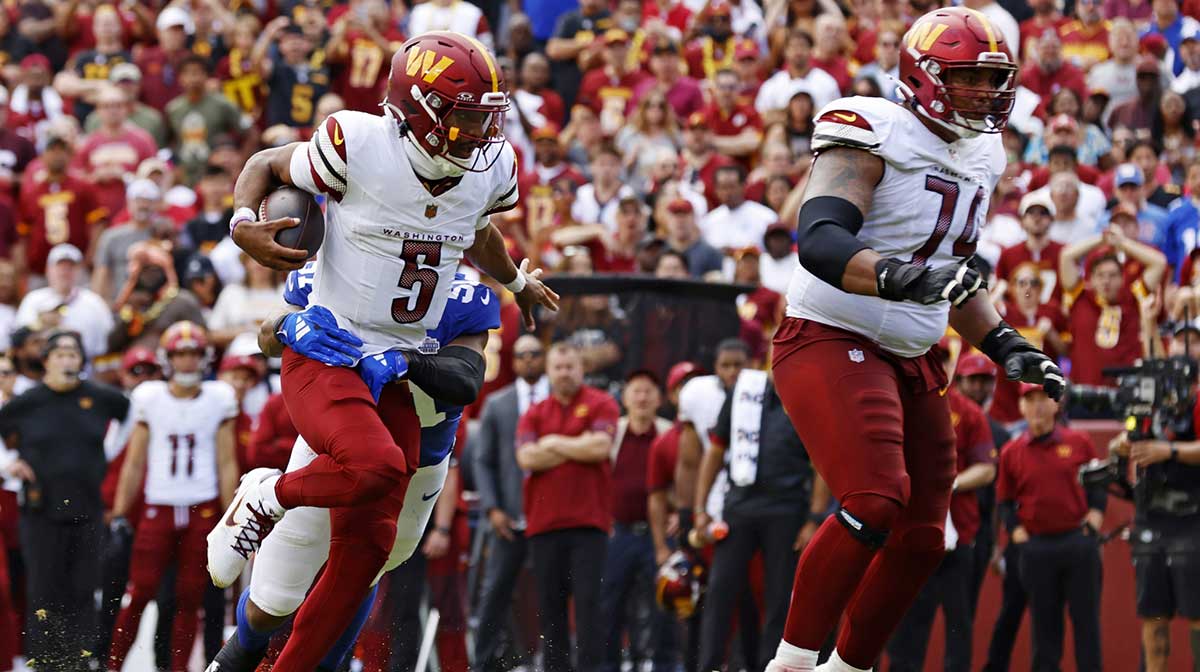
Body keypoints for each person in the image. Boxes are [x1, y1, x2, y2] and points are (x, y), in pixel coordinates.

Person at [211, 32, 558, 669]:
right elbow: (265, 162)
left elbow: (478, 229)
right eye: (468, 117)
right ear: (421, 110)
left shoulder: (486, 178)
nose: (483, 133)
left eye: (488, 116)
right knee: (306, 555)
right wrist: (241, 225)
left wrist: (513, 281)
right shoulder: (359, 143)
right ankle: (266, 497)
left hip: (397, 384)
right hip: (335, 354)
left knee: (368, 557)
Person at [765, 9, 1064, 672]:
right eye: (969, 79)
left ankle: (849, 667)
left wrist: (1008, 343)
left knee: (927, 536)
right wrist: (908, 278)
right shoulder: (873, 126)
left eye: (994, 80)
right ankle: (789, 663)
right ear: (923, 75)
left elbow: (950, 274)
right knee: (874, 499)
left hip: (914, 353)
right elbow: (819, 240)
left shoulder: (985, 152)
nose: (986, 94)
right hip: (829, 332)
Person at [208, 266, 498, 672]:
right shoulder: (336, 268)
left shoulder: (460, 292)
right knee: (272, 601)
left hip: (420, 464)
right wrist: (287, 325)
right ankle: (241, 649)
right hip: (336, 447)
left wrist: (410, 363)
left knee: (362, 570)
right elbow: (267, 337)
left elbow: (467, 379)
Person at [106, 321, 238, 671]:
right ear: (168, 358)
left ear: (205, 356)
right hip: (159, 504)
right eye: (180, 354)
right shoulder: (149, 397)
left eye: (193, 353)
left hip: (203, 506)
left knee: (190, 598)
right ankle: (113, 664)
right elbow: (134, 462)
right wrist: (120, 512)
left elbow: (227, 462)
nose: (187, 362)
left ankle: (179, 668)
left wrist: (232, 518)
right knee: (140, 592)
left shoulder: (219, 397)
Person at [0, 331, 128, 670]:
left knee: (84, 589)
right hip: (40, 511)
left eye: (74, 353)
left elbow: (134, 415)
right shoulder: (28, 402)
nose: (68, 360)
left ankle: (80, 660)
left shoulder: (100, 397)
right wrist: (6, 464)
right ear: (46, 360)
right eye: (60, 353)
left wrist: (115, 458)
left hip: (88, 509)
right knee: (44, 588)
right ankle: (44, 661)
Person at [693, 367, 827, 671]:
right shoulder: (743, 391)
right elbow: (715, 449)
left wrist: (814, 518)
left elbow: (821, 463)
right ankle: (709, 666)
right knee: (720, 591)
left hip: (787, 511)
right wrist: (700, 509)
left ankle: (770, 666)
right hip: (739, 508)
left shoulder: (809, 395)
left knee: (780, 598)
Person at [885, 347, 997, 672]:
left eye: (941, 359)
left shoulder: (968, 413)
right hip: (912, 535)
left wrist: (950, 485)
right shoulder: (902, 405)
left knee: (959, 623)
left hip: (958, 535)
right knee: (907, 622)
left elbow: (986, 468)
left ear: (950, 366)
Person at [516, 342, 619, 672]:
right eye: (558, 367)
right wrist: (578, 443)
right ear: (548, 371)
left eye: (570, 366)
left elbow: (601, 447)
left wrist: (555, 443)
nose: (564, 373)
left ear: (582, 368)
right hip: (544, 526)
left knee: (589, 608)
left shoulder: (601, 403)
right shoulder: (535, 412)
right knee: (550, 611)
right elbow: (526, 457)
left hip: (590, 525)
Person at [1107, 328, 1200, 672]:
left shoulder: (1198, 399)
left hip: (1192, 516)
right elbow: (1125, 437)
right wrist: (1121, 445)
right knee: (1153, 615)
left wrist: (1169, 450)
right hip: (1151, 516)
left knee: (1197, 614)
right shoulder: (1148, 397)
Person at [996, 383, 1106, 672]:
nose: (1037, 406)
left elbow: (1098, 488)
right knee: (1044, 629)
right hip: (1037, 548)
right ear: (1021, 407)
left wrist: (1094, 523)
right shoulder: (1011, 451)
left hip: (1077, 544)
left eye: (1043, 397)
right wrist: (1019, 537)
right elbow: (1005, 502)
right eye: (1029, 399)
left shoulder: (1079, 442)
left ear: (1056, 404)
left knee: (1087, 624)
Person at [473, 334, 547, 672]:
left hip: (549, 518)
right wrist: (493, 509)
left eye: (535, 354)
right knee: (495, 593)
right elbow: (483, 461)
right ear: (514, 362)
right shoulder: (498, 404)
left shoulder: (558, 402)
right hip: (508, 518)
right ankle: (484, 662)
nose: (529, 360)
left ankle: (554, 660)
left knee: (553, 595)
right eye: (522, 355)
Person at [599, 370, 677, 672]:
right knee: (610, 606)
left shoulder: (670, 433)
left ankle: (665, 665)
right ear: (624, 398)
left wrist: (677, 516)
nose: (642, 398)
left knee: (664, 605)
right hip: (618, 532)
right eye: (636, 391)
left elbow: (684, 481)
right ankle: (608, 666)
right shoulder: (612, 433)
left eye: (648, 392)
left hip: (659, 536)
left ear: (659, 399)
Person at [1057, 222, 1166, 387]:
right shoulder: (1080, 298)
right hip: (1085, 393)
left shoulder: (1133, 298)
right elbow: (1066, 256)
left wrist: (1122, 243)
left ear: (1122, 278)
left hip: (1125, 392)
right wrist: (1102, 239)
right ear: (1091, 279)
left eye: (1113, 275)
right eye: (1100, 275)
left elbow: (1159, 262)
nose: (1106, 281)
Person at [14, 243, 112, 358]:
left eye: (70, 267)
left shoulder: (94, 302)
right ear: (48, 270)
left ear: (79, 270)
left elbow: (107, 341)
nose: (65, 271)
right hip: (42, 370)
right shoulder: (33, 299)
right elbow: (20, 339)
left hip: (87, 369)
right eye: (60, 266)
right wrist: (41, 326)